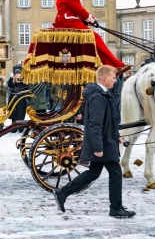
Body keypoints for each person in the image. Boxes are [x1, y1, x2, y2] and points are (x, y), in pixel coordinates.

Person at [53, 65, 135, 218]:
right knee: (115, 172)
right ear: (105, 79)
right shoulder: (98, 96)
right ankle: (116, 208)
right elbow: (95, 124)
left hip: (106, 140)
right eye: (113, 77)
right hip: (103, 143)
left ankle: (63, 192)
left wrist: (116, 135)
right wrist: (98, 147)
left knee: (94, 173)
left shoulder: (102, 93)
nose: (115, 80)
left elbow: (108, 120)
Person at [53, 0, 127, 74]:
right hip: (69, 22)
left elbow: (72, 10)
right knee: (94, 37)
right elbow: (79, 10)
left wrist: (85, 21)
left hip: (66, 20)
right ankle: (115, 65)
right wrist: (92, 20)